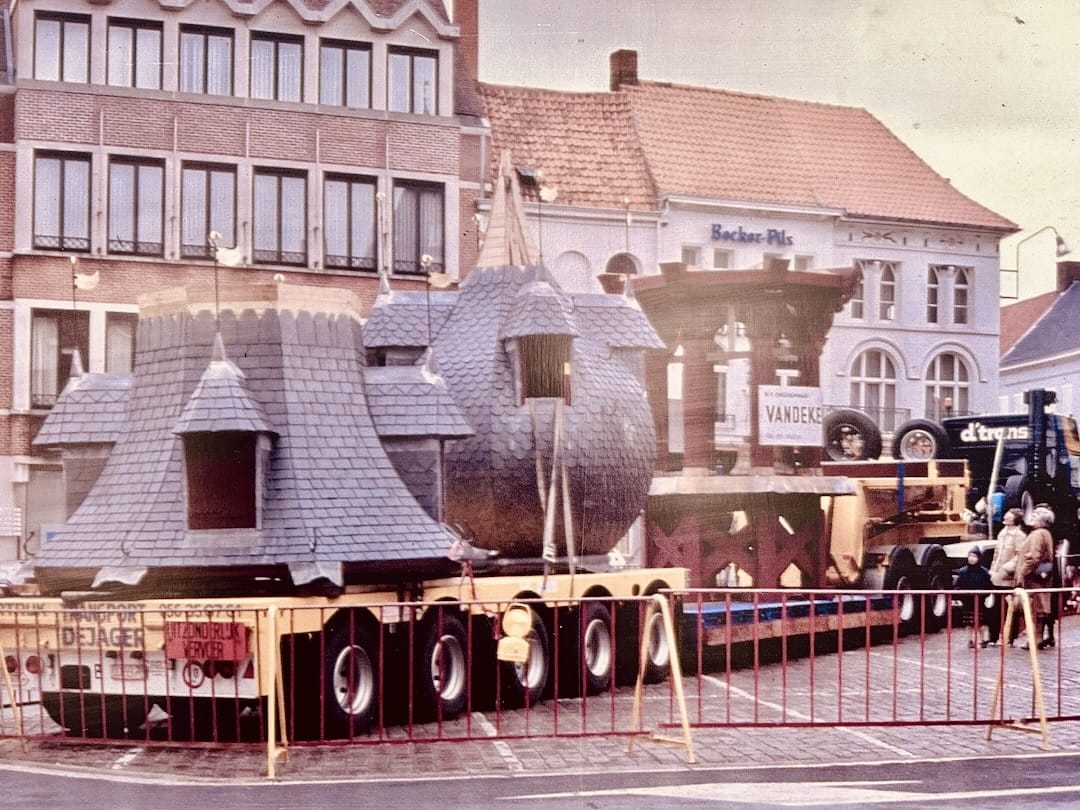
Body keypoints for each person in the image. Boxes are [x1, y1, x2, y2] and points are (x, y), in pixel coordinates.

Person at [1017, 505, 1056, 650]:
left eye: (1035, 516)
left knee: (1035, 609)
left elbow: (1034, 556)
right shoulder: (1045, 533)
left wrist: (1023, 572)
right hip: (1041, 578)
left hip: (1034, 579)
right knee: (1039, 609)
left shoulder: (1038, 534)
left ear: (1042, 520)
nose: (1031, 518)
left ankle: (1034, 639)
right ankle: (1036, 638)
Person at [989, 507, 1025, 644]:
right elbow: (997, 554)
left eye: (1008, 516)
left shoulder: (1019, 535)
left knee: (1008, 608)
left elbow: (1019, 555)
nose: (1005, 517)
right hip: (997, 576)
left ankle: (1009, 637)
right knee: (996, 607)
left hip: (1008, 577)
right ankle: (994, 636)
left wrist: (1006, 568)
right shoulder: (1002, 533)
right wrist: (993, 570)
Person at [954, 545, 993, 647]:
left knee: (981, 622)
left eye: (974, 556)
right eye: (970, 556)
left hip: (980, 601)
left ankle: (983, 639)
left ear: (979, 558)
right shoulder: (962, 571)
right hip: (967, 601)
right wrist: (960, 596)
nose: (971, 558)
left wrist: (983, 595)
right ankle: (971, 640)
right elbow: (958, 585)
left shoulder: (984, 572)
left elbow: (988, 587)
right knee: (969, 623)